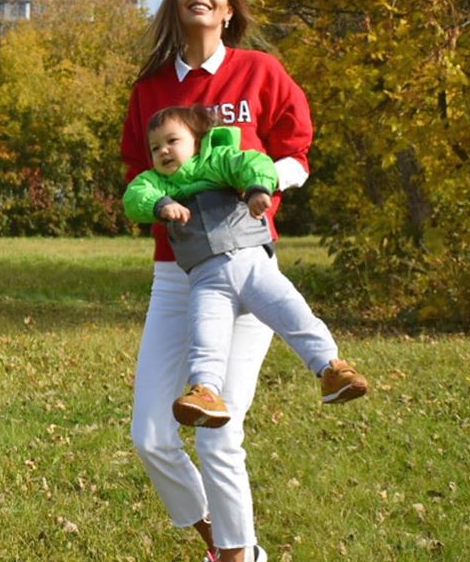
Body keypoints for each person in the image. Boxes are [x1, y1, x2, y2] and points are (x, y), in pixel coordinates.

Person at [122, 0, 317, 562]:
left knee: (218, 428)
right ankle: (229, 546)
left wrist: (267, 184)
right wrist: (159, 203)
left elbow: (297, 147)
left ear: (229, 6)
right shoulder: (150, 89)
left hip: (246, 272)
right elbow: (134, 168)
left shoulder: (261, 73)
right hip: (177, 277)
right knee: (151, 435)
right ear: (175, 3)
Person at [123, 105, 368, 429]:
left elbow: (253, 163)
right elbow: (134, 196)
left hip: (252, 263)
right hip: (207, 280)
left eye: (172, 141)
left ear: (197, 141)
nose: (164, 151)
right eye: (155, 147)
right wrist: (161, 204)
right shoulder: (159, 183)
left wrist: (257, 188)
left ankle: (332, 369)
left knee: (292, 311)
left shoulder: (219, 161)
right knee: (206, 334)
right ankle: (206, 392)